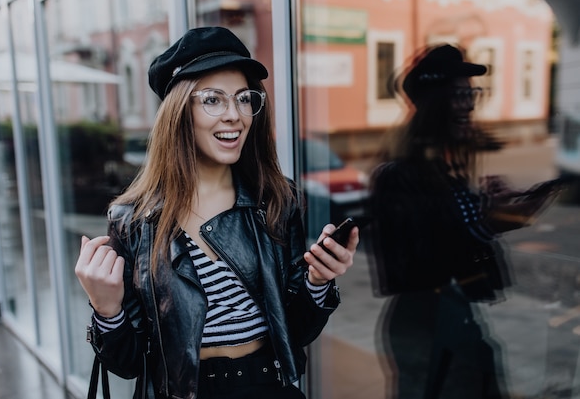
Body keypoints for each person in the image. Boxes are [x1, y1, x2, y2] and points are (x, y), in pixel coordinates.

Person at [74, 26, 358, 399]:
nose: (234, 115)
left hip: (268, 387)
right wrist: (106, 308)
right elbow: (128, 363)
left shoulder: (275, 199)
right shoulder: (133, 220)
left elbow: (297, 331)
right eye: (213, 100)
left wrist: (317, 281)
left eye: (244, 99)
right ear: (179, 112)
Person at [365, 44, 561, 399]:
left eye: (473, 95)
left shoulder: (444, 171)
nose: (469, 105)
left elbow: (452, 241)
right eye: (458, 95)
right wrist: (488, 224)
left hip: (454, 317)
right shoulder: (399, 176)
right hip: (426, 325)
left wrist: (489, 208)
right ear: (432, 103)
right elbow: (410, 269)